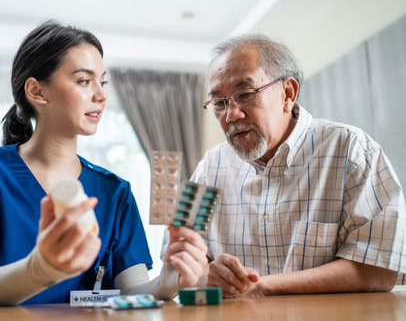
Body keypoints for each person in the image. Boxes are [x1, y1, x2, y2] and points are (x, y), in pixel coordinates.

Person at [0, 21, 208, 307]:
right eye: (85, 81)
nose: (101, 95)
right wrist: (41, 269)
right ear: (37, 91)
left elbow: (131, 290)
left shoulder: (115, 192)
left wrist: (165, 283)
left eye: (103, 81)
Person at [163, 34, 406, 298]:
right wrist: (206, 276)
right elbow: (177, 267)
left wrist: (262, 285)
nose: (231, 115)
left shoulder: (351, 149)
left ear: (287, 93)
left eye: (245, 94)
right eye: (220, 102)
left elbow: (380, 269)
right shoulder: (210, 167)